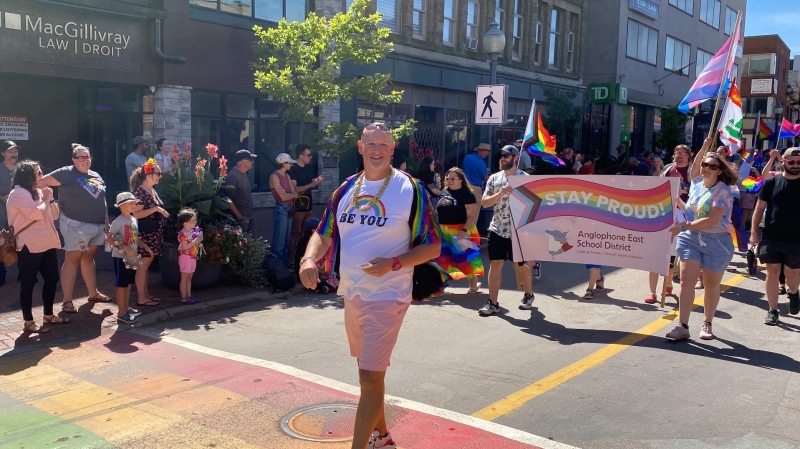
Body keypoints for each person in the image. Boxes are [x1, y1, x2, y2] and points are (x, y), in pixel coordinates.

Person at [299, 122, 441, 449]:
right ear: (360, 148)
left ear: (392, 150)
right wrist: (309, 260)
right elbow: (324, 232)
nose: (377, 150)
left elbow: (432, 246)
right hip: (352, 293)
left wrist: (392, 263)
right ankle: (384, 437)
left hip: (389, 295)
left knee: (369, 377)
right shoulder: (346, 189)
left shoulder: (411, 190)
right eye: (370, 144)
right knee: (369, 376)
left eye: (383, 144)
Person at [665, 137, 737, 341]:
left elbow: (710, 220)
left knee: (711, 284)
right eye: (704, 164)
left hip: (716, 241)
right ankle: (683, 326)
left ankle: (707, 323)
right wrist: (675, 199)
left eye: (712, 166)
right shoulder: (696, 184)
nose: (706, 168)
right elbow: (689, 207)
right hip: (691, 239)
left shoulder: (724, 191)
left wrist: (682, 226)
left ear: (720, 171)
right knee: (687, 281)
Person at [41, 144, 111, 313]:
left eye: (87, 157)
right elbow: (41, 182)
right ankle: (67, 301)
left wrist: (107, 222)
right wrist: (46, 203)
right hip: (75, 225)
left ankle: (92, 293)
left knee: (88, 257)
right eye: (81, 157)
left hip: (97, 226)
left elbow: (103, 199)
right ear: (74, 159)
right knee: (72, 260)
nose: (85, 160)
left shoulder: (95, 175)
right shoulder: (66, 172)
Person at [7, 160, 66, 333]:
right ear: (27, 176)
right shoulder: (18, 193)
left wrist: (51, 199)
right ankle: (28, 321)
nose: (41, 176)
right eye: (38, 173)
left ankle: (48, 315)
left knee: (52, 278)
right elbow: (35, 214)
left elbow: (55, 216)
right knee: (28, 282)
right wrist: (46, 200)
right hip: (29, 245)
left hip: (46, 243)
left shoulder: (40, 192)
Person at [478, 145, 536, 316]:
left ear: (516, 158)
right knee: (495, 264)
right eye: (501, 155)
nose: (502, 158)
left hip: (518, 231)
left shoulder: (525, 179)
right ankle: (493, 303)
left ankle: (528, 294)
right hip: (497, 228)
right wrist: (500, 194)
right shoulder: (494, 179)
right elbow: (485, 203)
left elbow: (535, 205)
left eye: (507, 155)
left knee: (520, 266)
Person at [751, 147, 800, 325]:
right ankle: (773, 310)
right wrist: (754, 232)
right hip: (772, 236)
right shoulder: (771, 183)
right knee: (772, 272)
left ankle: (793, 293)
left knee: (792, 277)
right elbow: (759, 208)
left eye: (799, 162)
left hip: (796, 239)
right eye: (791, 162)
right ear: (783, 162)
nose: (795, 165)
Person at [434, 167, 484, 293]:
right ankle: (440, 287)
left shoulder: (467, 194)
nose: (449, 181)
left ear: (460, 180)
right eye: (447, 178)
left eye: (452, 178)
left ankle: (473, 282)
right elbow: (438, 211)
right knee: (442, 259)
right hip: (443, 230)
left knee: (462, 259)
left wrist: (464, 231)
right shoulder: (444, 192)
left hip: (460, 230)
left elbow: (471, 216)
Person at [130, 160, 169, 307]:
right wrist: (156, 209)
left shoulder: (151, 190)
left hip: (153, 234)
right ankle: (141, 298)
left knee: (146, 265)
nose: (160, 176)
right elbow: (135, 213)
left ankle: (145, 294)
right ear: (148, 174)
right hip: (145, 235)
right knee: (143, 265)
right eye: (158, 173)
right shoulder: (140, 192)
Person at [107, 192, 144, 325]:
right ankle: (121, 313)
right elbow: (110, 239)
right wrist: (125, 248)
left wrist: (145, 247)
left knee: (128, 284)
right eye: (130, 203)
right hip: (120, 258)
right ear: (121, 206)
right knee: (121, 285)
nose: (134, 205)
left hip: (131, 258)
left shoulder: (133, 220)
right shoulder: (118, 221)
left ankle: (126, 309)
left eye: (134, 202)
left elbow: (136, 237)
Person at [288, 144, 324, 267]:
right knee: (295, 233)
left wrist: (316, 182)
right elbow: (295, 189)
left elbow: (310, 184)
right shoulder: (293, 169)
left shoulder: (308, 168)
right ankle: (292, 260)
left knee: (307, 232)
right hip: (298, 207)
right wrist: (310, 185)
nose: (310, 157)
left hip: (309, 206)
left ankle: (303, 258)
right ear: (301, 156)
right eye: (308, 155)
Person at [270, 152, 299, 266]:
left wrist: (289, 195)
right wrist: (290, 195)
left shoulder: (287, 176)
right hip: (281, 209)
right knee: (279, 243)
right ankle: (278, 267)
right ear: (283, 163)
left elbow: (293, 193)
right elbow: (282, 197)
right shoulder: (274, 176)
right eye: (289, 163)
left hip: (289, 209)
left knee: (286, 241)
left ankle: (284, 266)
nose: (291, 165)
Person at [0, 140, 21, 287]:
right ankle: (1, 275)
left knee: (22, 244)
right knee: (1, 244)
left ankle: (24, 273)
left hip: (21, 216)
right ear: (3, 154)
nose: (14, 154)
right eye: (10, 151)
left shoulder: (22, 170)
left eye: (15, 151)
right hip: (2, 215)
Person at [227, 149, 258, 233]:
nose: (252, 162)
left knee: (253, 243)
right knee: (243, 243)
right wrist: (239, 216)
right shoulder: (233, 176)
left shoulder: (243, 173)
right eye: (250, 160)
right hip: (242, 218)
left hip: (250, 215)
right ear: (242, 161)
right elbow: (228, 200)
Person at [177, 208, 203, 305]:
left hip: (192, 257)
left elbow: (193, 245)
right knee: (184, 278)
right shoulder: (183, 234)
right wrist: (195, 241)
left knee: (189, 278)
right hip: (185, 257)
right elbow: (184, 247)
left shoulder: (191, 232)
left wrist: (198, 240)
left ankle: (189, 295)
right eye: (193, 221)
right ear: (185, 223)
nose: (195, 222)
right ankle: (184, 297)